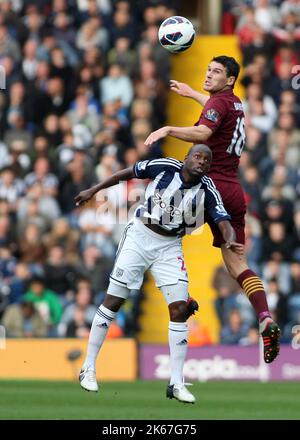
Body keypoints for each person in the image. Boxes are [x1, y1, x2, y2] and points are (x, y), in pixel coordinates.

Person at [74, 144, 243, 403]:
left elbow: (223, 221)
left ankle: (176, 382)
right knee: (115, 300)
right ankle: (88, 366)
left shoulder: (208, 189)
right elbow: (126, 173)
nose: (201, 162)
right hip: (140, 235)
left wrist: (230, 239)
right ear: (186, 158)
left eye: (206, 160)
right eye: (197, 156)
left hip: (169, 246)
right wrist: (94, 190)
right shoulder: (165, 166)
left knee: (180, 310)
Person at [144, 55, 281, 364]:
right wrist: (193, 93)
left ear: (230, 79)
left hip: (207, 186)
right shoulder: (236, 103)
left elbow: (205, 132)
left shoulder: (218, 106)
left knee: (156, 232)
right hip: (234, 189)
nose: (209, 74)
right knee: (237, 265)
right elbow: (213, 108)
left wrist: (167, 129)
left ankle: (183, 296)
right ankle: (264, 317)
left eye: (216, 72)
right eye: (208, 69)